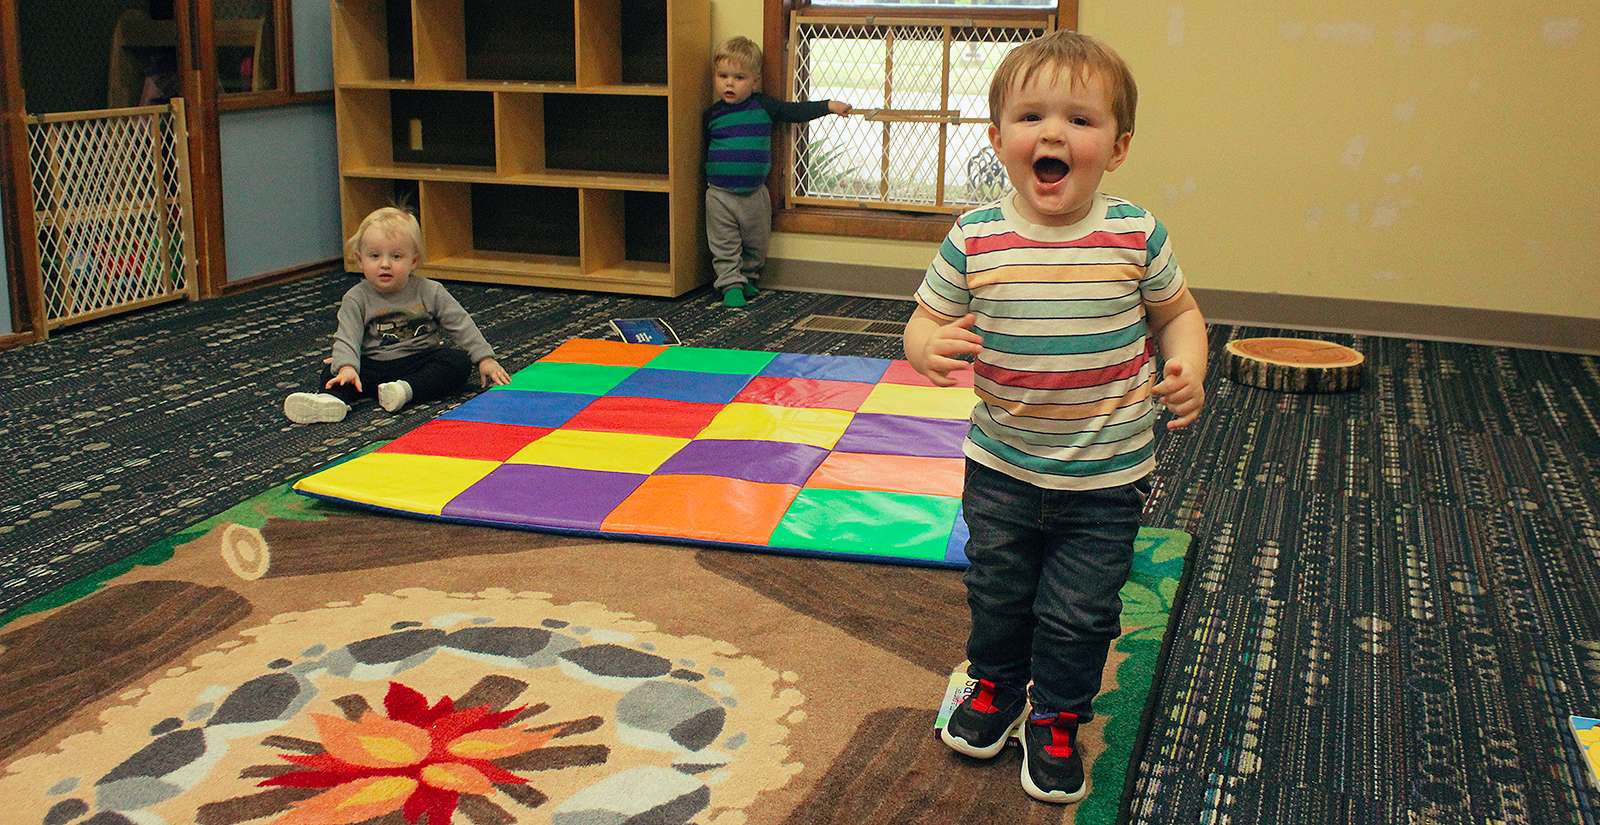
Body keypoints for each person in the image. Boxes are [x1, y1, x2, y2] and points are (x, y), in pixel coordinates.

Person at [905, 30, 1208, 804]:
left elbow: (1180, 315)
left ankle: (1060, 715)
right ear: (998, 136)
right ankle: (998, 688)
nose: (1052, 134)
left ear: (1118, 146)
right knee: (999, 591)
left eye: (1079, 120)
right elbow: (921, 321)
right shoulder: (975, 237)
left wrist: (1188, 364)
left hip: (1107, 476)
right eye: (1031, 115)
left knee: (1079, 610)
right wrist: (928, 346)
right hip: (1003, 466)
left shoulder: (1136, 234)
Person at [283, 206, 510, 424]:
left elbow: (460, 324)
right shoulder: (355, 298)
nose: (385, 264)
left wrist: (484, 358)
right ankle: (331, 402)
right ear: (360, 260)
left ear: (413, 261)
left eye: (396, 256)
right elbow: (347, 337)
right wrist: (347, 367)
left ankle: (404, 390)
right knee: (332, 371)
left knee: (457, 363)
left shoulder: (430, 291)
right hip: (373, 365)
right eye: (374, 256)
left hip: (420, 361)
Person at [704, 36, 851, 308]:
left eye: (739, 77)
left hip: (755, 194)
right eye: (723, 76)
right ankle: (730, 285)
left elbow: (794, 111)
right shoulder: (712, 114)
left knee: (756, 242)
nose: (729, 83)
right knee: (724, 243)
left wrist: (829, 105)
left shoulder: (763, 107)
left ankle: (748, 277)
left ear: (755, 82)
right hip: (720, 195)